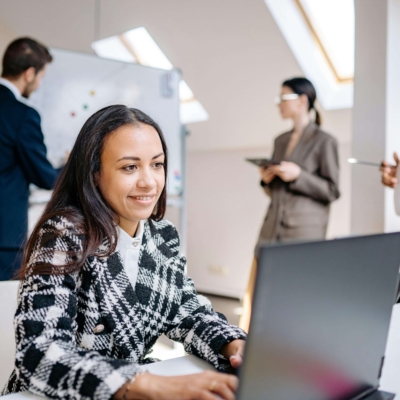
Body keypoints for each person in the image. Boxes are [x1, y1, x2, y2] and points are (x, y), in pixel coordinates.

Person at [2, 105, 246, 400]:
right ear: (94, 173)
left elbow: (187, 312)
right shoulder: (62, 234)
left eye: (157, 164)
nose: (149, 181)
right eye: (130, 167)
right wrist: (147, 384)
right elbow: (39, 356)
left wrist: (233, 344)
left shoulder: (162, 235)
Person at [0, 37, 62, 280]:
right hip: (4, 239)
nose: (38, 85)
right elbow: (45, 177)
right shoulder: (22, 115)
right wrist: (70, 165)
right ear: (29, 74)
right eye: (40, 77)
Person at [257, 77, 340, 245]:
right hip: (271, 230)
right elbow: (276, 192)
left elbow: (332, 191)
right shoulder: (280, 141)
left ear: (302, 100)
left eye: (283, 98)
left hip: (303, 233)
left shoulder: (325, 141)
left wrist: (299, 175)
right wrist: (266, 181)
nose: (279, 104)